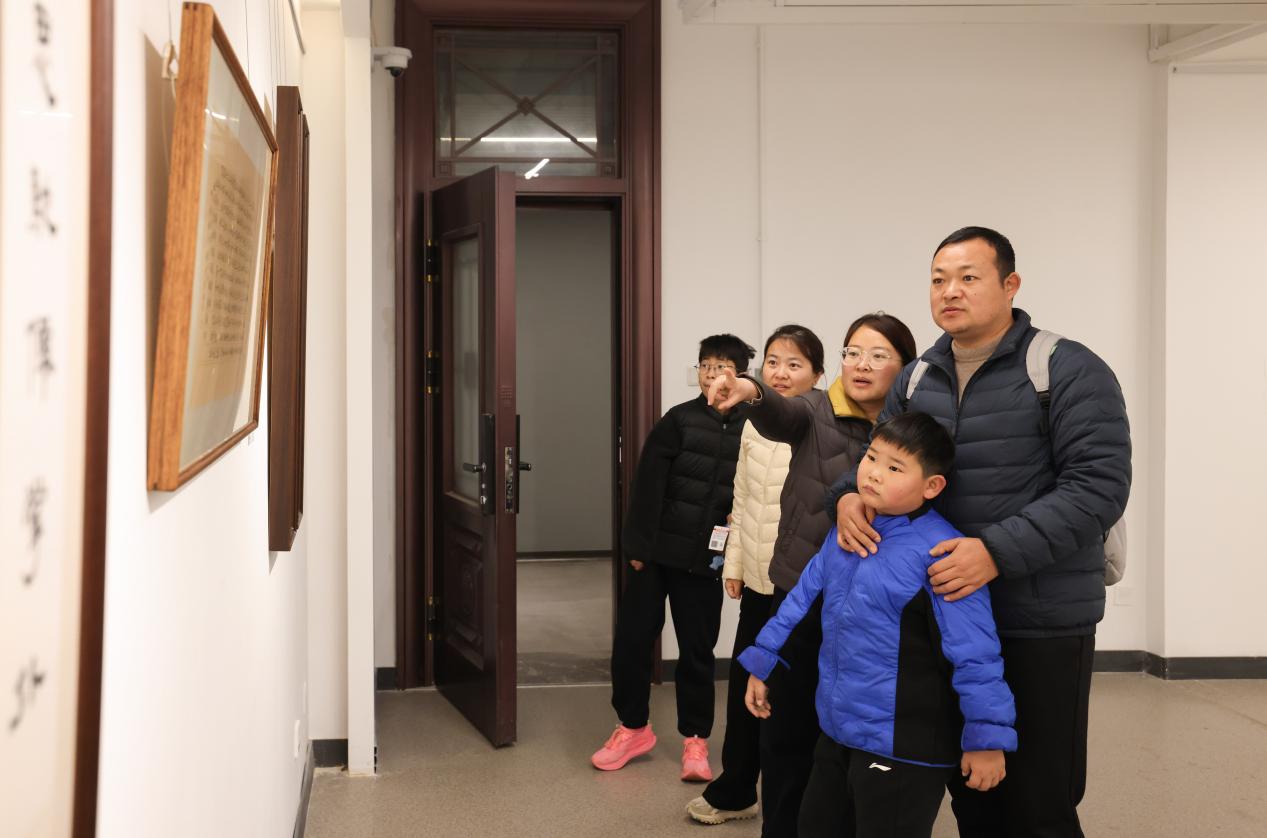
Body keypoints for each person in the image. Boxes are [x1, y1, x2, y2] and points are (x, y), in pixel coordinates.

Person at [828, 227, 1131, 838]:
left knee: (1039, 799)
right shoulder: (918, 377)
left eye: (968, 277)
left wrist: (993, 552)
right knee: (973, 793)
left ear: (1010, 284)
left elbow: (1098, 486)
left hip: (1038, 617)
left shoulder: (1066, 368)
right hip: (942, 615)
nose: (950, 291)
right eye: (938, 279)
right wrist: (848, 496)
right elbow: (879, 461)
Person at [740, 412, 1017, 838]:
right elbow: (799, 603)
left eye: (895, 467)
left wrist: (987, 738)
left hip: (903, 744)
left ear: (932, 486)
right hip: (837, 730)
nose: (873, 473)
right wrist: (764, 663)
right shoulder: (847, 532)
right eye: (871, 458)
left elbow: (976, 654)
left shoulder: (944, 554)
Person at [707, 314, 917, 837]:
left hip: (875, 606)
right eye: (852, 353)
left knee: (854, 736)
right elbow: (779, 411)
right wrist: (751, 389)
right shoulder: (814, 408)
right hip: (802, 592)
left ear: (905, 366)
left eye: (877, 355)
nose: (860, 365)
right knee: (787, 731)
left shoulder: (914, 427)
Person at [593, 333, 756, 782]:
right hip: (655, 555)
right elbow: (647, 485)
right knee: (632, 643)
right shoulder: (679, 420)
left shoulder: (755, 427)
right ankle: (633, 728)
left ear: (741, 376)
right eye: (706, 366)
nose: (711, 375)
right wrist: (637, 548)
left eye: (722, 367)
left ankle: (695, 739)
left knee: (698, 651)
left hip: (706, 560)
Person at [686, 325, 824, 825]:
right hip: (760, 579)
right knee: (746, 684)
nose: (780, 373)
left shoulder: (819, 423)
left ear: (817, 374)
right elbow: (741, 498)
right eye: (773, 362)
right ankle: (737, 789)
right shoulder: (752, 422)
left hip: (802, 587)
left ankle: (800, 802)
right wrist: (737, 564)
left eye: (794, 364)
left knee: (788, 699)